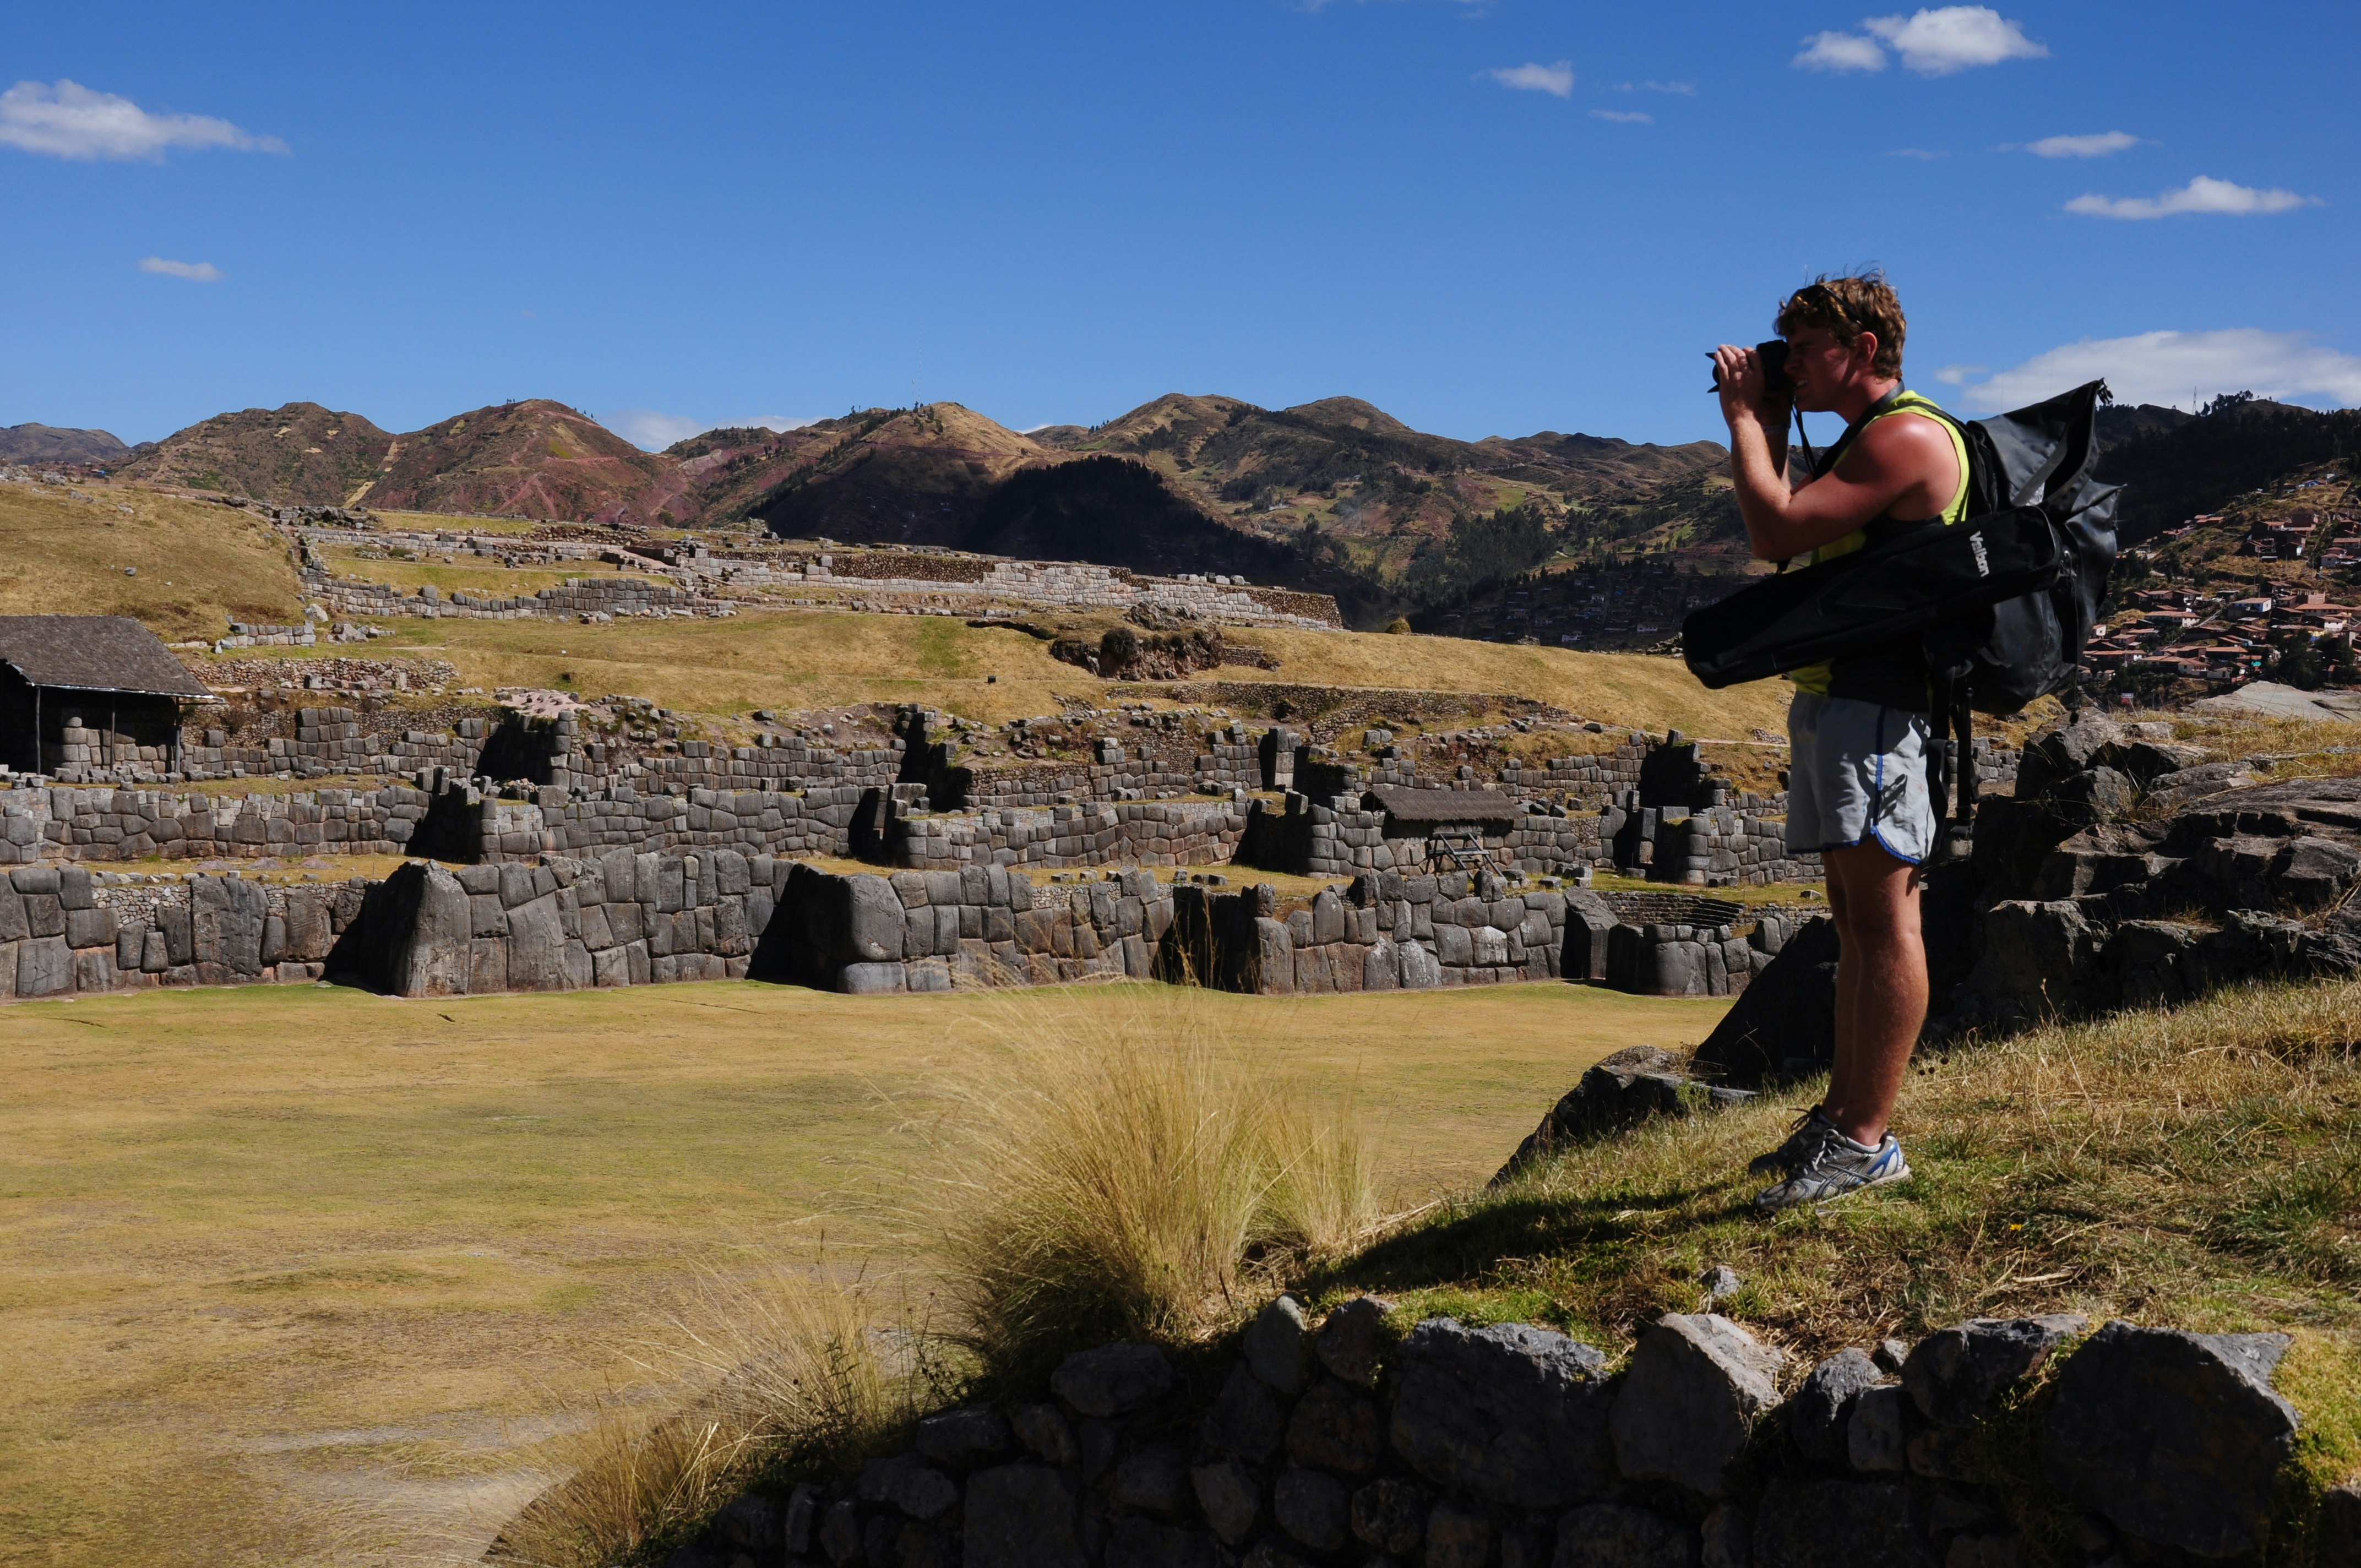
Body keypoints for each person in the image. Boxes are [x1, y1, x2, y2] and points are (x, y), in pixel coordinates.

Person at [1709, 272, 1967, 1211]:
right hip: (1842, 705)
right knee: (1857, 925)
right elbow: (1776, 538)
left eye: (1805, 350)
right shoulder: (1862, 441)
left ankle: (1867, 1139)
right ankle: (1843, 1121)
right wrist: (1770, 418)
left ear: (1861, 351)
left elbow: (1774, 530)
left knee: (1888, 921)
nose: (1791, 366)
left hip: (1880, 710)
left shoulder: (1905, 436)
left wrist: (1744, 413)